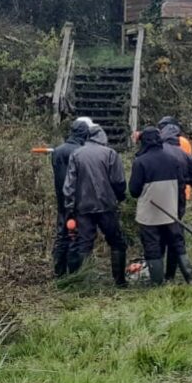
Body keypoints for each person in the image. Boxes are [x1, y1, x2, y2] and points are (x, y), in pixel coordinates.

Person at [128, 126, 192, 285]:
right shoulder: (174, 159)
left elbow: (134, 191)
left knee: (152, 246)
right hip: (171, 211)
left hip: (149, 213)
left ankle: (157, 283)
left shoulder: (140, 162)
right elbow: (181, 184)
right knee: (177, 243)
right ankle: (189, 278)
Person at [62, 123, 129, 286]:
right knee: (116, 242)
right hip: (106, 206)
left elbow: (69, 185)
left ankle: (84, 282)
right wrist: (120, 198)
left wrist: (70, 207)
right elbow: (119, 181)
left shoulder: (76, 155)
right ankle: (119, 281)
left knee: (84, 244)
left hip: (83, 207)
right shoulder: (110, 154)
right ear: (102, 137)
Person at [157, 115, 192, 281]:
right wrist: (185, 182)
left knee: (165, 234)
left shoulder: (160, 146)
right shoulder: (184, 143)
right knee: (175, 232)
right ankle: (172, 273)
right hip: (182, 192)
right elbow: (191, 166)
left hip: (164, 193)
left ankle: (163, 275)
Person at [50, 117, 93, 278]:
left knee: (61, 234)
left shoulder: (57, 151)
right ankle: (73, 272)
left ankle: (58, 271)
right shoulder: (80, 153)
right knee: (74, 235)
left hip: (60, 198)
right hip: (76, 200)